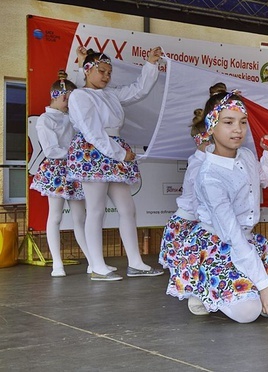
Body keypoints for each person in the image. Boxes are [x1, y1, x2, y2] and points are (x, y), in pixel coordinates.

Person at [175, 92, 268, 322]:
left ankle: (244, 291)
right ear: (212, 128)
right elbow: (232, 236)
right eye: (228, 122)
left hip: (245, 242)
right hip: (220, 245)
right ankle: (203, 289)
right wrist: (265, 287)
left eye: (242, 122)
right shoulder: (209, 176)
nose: (238, 129)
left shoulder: (245, 155)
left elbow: (262, 179)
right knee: (249, 313)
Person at [67, 47, 165, 281]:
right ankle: (97, 265)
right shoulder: (79, 96)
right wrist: (119, 154)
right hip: (95, 151)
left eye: (109, 73)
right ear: (87, 70)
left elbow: (139, 91)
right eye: (101, 71)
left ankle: (136, 262)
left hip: (113, 149)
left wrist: (151, 64)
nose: (106, 76)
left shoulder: (110, 94)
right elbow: (92, 132)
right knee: (96, 210)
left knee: (127, 209)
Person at [30, 71, 93, 277]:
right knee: (55, 216)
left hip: (74, 170)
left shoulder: (72, 119)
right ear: (60, 96)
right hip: (56, 170)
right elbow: (50, 150)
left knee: (79, 218)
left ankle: (93, 261)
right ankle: (57, 263)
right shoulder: (45, 120)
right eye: (68, 98)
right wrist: (75, 154)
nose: (70, 103)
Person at [159, 108, 212, 315]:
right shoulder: (199, 165)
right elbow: (202, 201)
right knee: (190, 269)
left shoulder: (201, 161)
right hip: (186, 225)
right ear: (204, 141)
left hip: (188, 223)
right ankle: (197, 299)